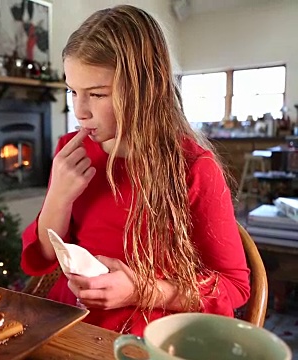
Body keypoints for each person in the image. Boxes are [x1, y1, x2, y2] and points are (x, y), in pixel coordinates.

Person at [20, 5, 250, 336]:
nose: (80, 112)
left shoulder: (194, 168)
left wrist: (139, 289)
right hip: (71, 321)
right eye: (72, 91)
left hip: (149, 330)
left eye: (96, 94)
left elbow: (234, 286)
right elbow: (43, 257)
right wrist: (58, 196)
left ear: (146, 88)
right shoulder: (72, 151)